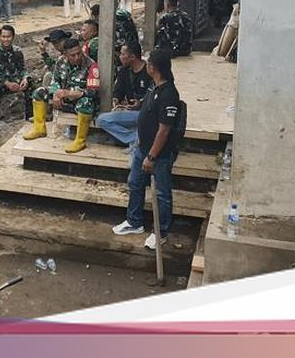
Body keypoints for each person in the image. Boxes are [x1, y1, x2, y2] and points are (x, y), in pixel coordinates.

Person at [112, 49, 182, 250]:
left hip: (158, 154)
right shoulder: (154, 87)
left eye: (149, 63)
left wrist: (151, 156)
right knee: (134, 183)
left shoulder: (169, 94)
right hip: (141, 148)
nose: (146, 65)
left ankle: (160, 232)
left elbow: (164, 130)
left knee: (161, 193)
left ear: (154, 68)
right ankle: (134, 222)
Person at [28, 37, 97, 153]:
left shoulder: (91, 65)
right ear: (65, 55)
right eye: (72, 55)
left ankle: (80, 140)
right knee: (39, 92)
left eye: (79, 53)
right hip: (63, 99)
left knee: (86, 102)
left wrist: (70, 93)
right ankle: (39, 128)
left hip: (79, 103)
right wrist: (55, 94)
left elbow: (93, 91)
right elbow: (55, 81)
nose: (77, 57)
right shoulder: (61, 61)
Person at [0, 25, 35, 153]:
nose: (6, 39)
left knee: (32, 83)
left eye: (8, 36)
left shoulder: (17, 52)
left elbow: (22, 69)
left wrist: (24, 79)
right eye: (3, 36)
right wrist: (6, 83)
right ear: (0, 37)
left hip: (13, 83)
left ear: (13, 37)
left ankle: (30, 121)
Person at [95, 41, 155, 150]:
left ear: (132, 57)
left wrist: (140, 103)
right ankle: (134, 139)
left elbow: (154, 94)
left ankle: (138, 140)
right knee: (102, 120)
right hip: (129, 111)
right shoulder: (124, 70)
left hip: (146, 113)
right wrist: (116, 99)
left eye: (123, 54)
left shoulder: (149, 72)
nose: (120, 57)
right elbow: (119, 89)